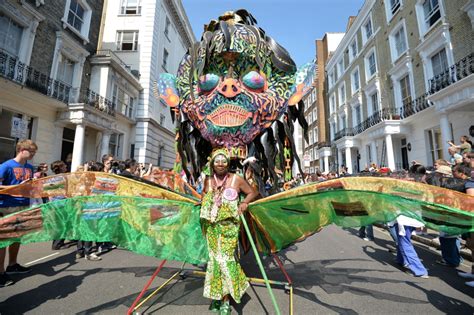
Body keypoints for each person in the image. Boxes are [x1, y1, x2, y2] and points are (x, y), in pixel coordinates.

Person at [200, 149, 258, 314]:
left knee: (226, 261)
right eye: (217, 161)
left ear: (228, 163)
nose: (220, 164)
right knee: (214, 262)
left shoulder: (236, 179)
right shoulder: (209, 181)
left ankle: (226, 299)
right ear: (212, 164)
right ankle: (217, 297)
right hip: (212, 228)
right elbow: (204, 194)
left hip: (229, 227)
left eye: (223, 161)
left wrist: (244, 203)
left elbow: (252, 192)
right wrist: (204, 199)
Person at [0, 139, 37, 287]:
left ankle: (13, 264)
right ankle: (0, 272)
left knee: (17, 237)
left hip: (23, 205)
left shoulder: (29, 167)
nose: (33, 154)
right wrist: (15, 188)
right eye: (32, 151)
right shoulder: (6, 166)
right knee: (3, 239)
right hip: (6, 206)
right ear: (22, 150)